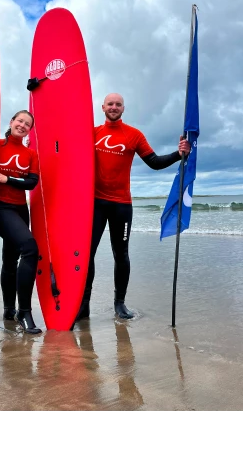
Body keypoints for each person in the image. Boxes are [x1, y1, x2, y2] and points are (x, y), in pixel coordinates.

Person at [75, 93, 191, 321]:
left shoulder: (134, 135)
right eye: (110, 104)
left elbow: (155, 162)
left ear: (123, 108)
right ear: (103, 107)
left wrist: (179, 154)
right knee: (87, 254)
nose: (114, 107)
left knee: (122, 254)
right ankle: (83, 304)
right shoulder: (92, 133)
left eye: (118, 104)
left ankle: (120, 303)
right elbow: (68, 154)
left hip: (121, 204)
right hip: (95, 203)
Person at [0, 109, 42, 334]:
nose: (22, 125)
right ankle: (24, 312)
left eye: (27, 124)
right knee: (30, 248)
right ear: (11, 122)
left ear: (30, 130)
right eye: (20, 121)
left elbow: (31, 183)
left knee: (10, 259)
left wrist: (7, 178)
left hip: (21, 209)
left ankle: (9, 310)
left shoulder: (31, 154)